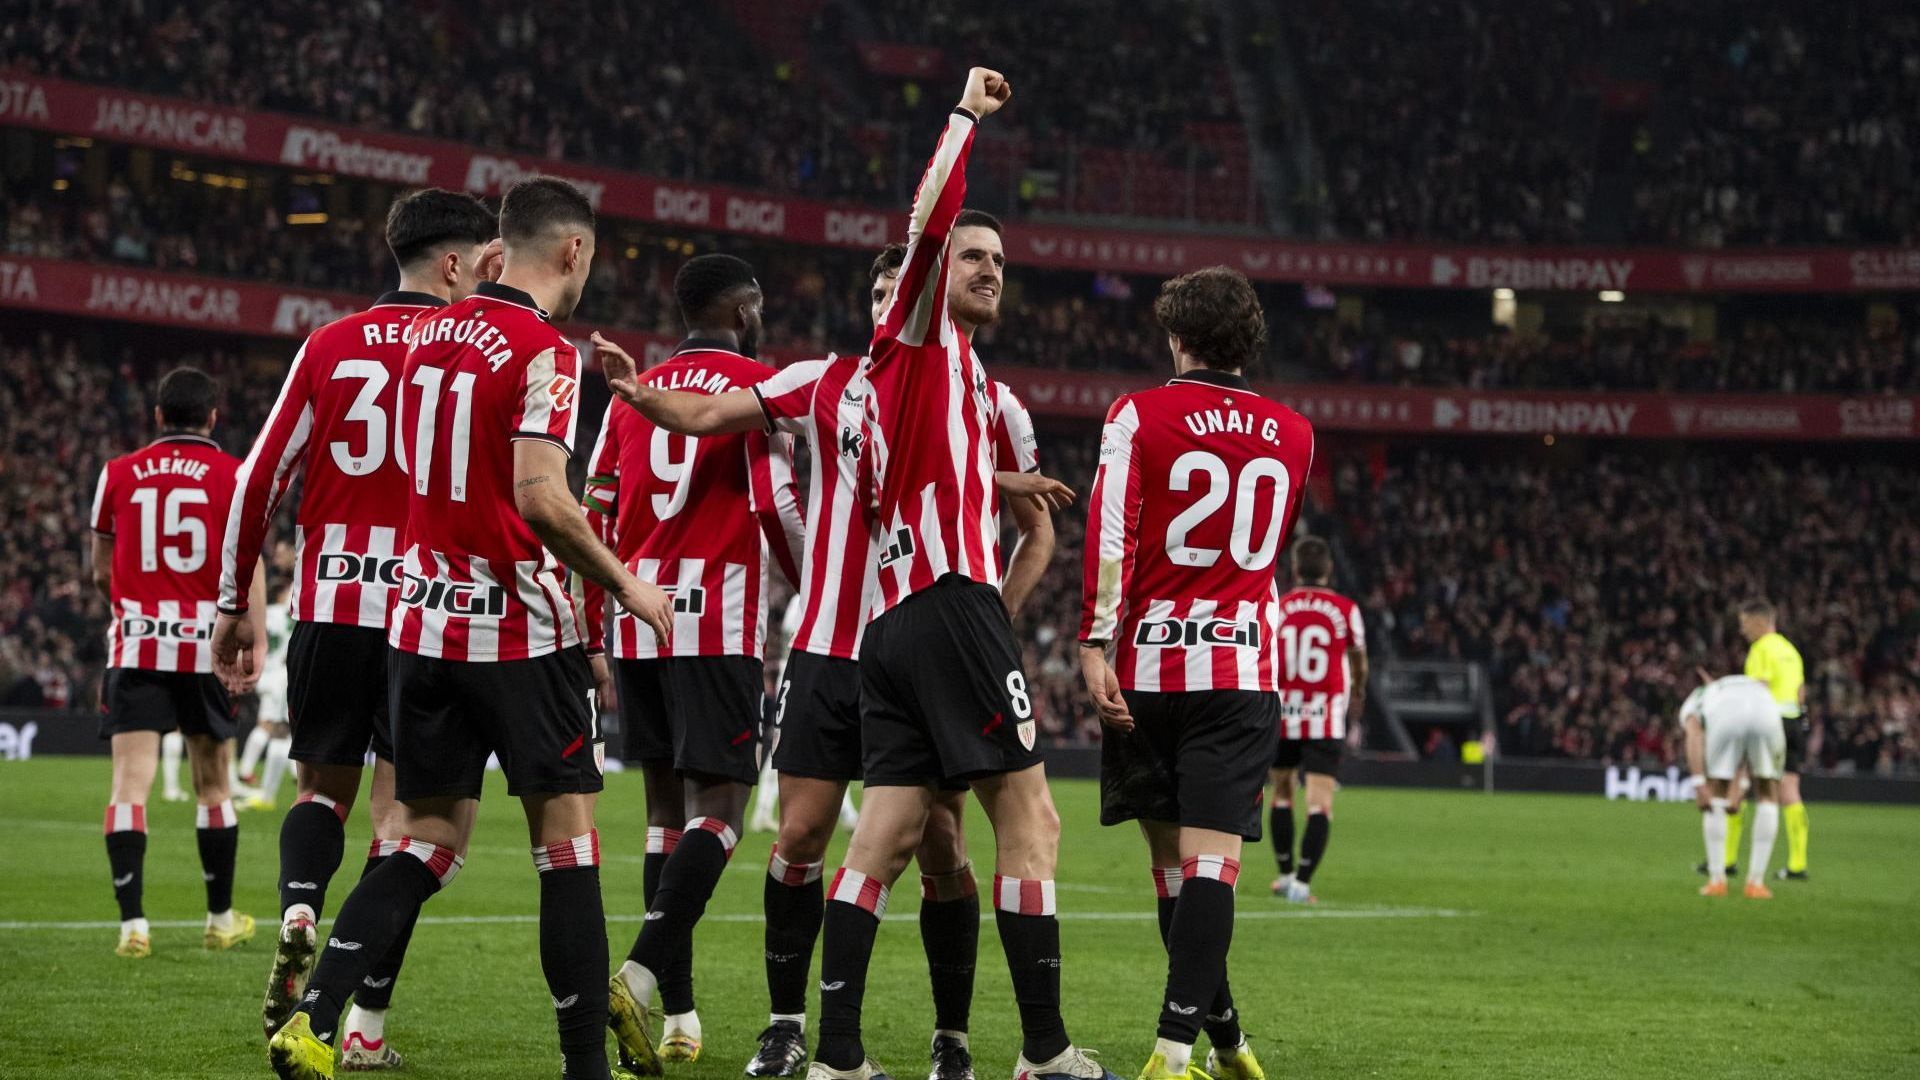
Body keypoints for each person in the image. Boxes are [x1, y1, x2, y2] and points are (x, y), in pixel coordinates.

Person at [595, 237, 1071, 1080]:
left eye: (904, 284)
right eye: (882, 287)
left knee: (942, 846)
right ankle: (790, 1029)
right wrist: (643, 396)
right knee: (805, 833)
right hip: (826, 645)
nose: (895, 297)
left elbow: (1031, 528)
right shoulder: (827, 380)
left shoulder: (995, 401)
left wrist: (990, 615)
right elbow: (711, 414)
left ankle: (950, 1039)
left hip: (930, 647)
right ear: (873, 303)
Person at [266, 176, 674, 1080]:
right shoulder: (544, 351)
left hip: (418, 627)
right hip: (520, 633)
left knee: (421, 839)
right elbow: (538, 498)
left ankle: (315, 1019)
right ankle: (584, 1069)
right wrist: (627, 584)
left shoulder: (423, 335)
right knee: (566, 845)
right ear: (573, 251)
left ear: (497, 249)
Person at [213, 187, 501, 1060]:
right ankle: (365, 1028)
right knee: (411, 825)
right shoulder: (472, 352)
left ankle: (300, 897)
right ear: (453, 264)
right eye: (484, 261)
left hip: (333, 601)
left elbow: (255, 480)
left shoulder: (329, 346)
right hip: (428, 610)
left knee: (317, 790)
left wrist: (236, 604)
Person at [1079, 266, 1310, 1080]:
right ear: (1248, 339)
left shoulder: (1137, 414)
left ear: (1176, 337)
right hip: (1239, 670)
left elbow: (1110, 533)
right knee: (1212, 866)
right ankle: (1214, 1042)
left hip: (1145, 668)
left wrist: (1091, 641)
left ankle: (1177, 1053)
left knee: (1173, 869)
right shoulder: (1295, 432)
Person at [583, 253, 805, 1072]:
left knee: (661, 816)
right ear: (740, 310)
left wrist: (596, 601)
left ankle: (677, 1015)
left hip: (637, 618)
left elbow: (597, 502)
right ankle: (642, 977)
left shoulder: (634, 394)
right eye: (759, 302)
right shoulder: (755, 388)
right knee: (723, 809)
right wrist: (817, 586)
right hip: (717, 620)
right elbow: (776, 503)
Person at [90, 365, 266, 959]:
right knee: (214, 787)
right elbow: (247, 565)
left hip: (137, 643)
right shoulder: (235, 475)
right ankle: (218, 919)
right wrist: (253, 637)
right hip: (204, 648)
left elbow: (98, 570)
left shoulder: (116, 474)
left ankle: (132, 927)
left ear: (158, 416)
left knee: (127, 788)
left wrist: (135, 611)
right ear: (213, 417)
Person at [1267, 536, 1367, 904]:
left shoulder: (1279, 607)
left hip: (1282, 714)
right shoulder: (1344, 609)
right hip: (1324, 718)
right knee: (1319, 802)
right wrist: (1359, 690)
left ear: (1295, 569)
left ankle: (1285, 873)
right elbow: (1358, 658)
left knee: (1280, 794)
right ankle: (1303, 885)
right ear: (1328, 569)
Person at [1682, 674, 1786, 899]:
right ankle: (1755, 883)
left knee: (1718, 792)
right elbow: (1746, 741)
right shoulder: (1739, 686)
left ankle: (1717, 880)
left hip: (1729, 717)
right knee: (1768, 793)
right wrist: (1743, 785)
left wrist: (1699, 784)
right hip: (1768, 708)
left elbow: (1694, 736)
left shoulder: (1697, 698)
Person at [1739, 599, 1810, 881]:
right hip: (1794, 721)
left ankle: (1729, 862)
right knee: (1790, 790)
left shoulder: (1761, 649)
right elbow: (1801, 691)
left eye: (1744, 624)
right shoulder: (1790, 650)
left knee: (1747, 785)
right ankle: (1797, 864)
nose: (1742, 631)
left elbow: (1760, 688)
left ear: (1759, 621)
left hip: (1770, 722)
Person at [236, 581, 294, 812]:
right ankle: (263, 789)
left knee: (272, 726)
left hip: (263, 671)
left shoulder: (265, 615)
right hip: (282, 673)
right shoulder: (288, 615)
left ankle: (255, 780)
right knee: (278, 728)